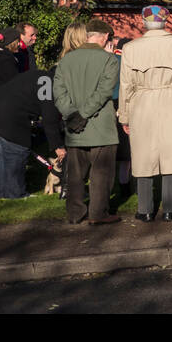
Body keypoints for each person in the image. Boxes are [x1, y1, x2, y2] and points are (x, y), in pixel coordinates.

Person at [120, 6, 172, 222]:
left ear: (144, 22)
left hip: (142, 102)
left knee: (143, 155)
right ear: (165, 21)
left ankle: (144, 208)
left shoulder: (131, 48)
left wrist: (124, 115)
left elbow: (126, 85)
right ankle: (171, 208)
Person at [53, 19, 121, 225]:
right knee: (101, 174)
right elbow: (104, 92)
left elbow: (59, 92)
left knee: (75, 175)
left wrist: (72, 114)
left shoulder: (66, 60)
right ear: (105, 37)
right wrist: (83, 114)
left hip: (74, 127)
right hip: (101, 126)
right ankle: (98, 213)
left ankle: (74, 213)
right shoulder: (109, 60)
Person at [0, 65, 65, 200]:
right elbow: (50, 118)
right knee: (18, 150)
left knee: (1, 155)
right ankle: (16, 195)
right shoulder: (50, 85)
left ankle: (1, 194)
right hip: (3, 117)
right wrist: (58, 146)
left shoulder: (38, 75)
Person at [0, 27, 23, 93]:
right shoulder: (5, 59)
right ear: (12, 43)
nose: (20, 44)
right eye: (18, 41)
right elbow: (14, 83)